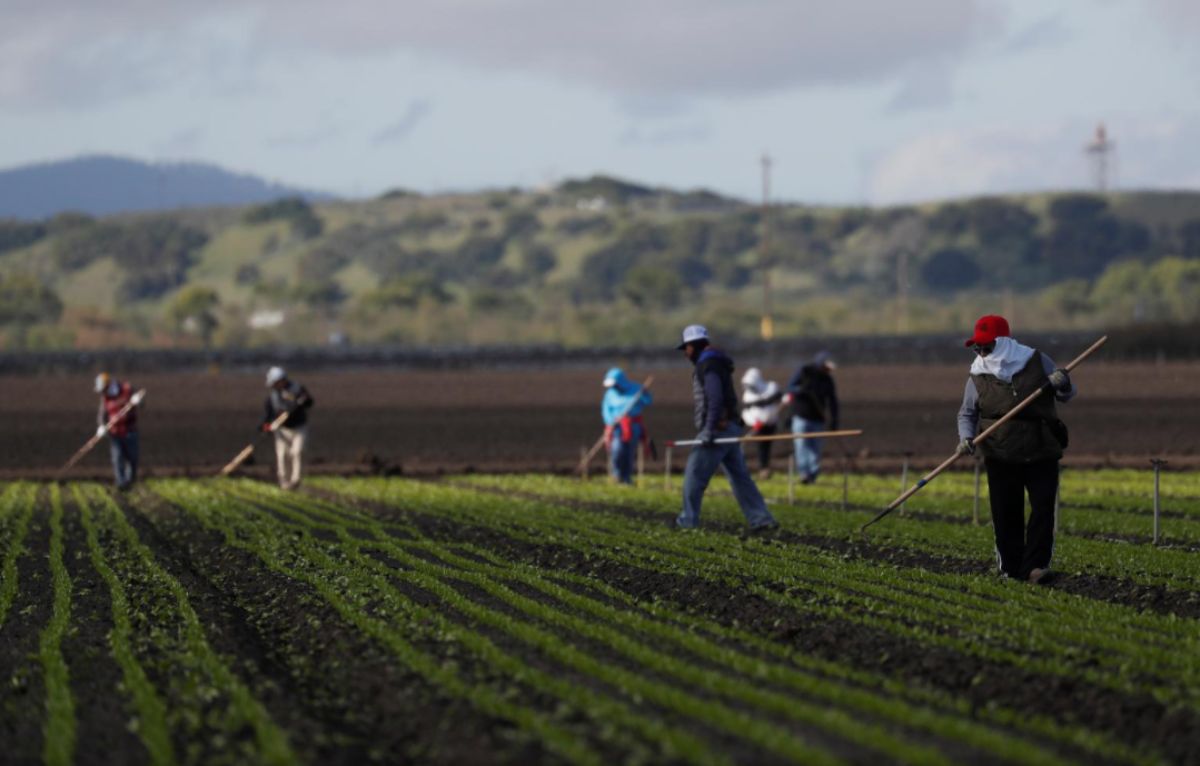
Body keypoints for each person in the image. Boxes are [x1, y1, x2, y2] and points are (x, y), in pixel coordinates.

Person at [955, 315, 1075, 585]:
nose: (982, 353)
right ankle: (1010, 569)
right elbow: (967, 414)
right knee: (1005, 511)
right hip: (999, 451)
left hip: (1040, 447)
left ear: (1004, 342)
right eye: (978, 348)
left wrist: (1062, 382)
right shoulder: (976, 375)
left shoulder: (1036, 361)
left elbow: (1067, 395)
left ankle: (1035, 567)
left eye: (987, 347)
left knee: (1043, 509)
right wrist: (965, 438)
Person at [674, 325, 778, 533]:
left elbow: (715, 398)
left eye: (686, 348)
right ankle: (762, 519)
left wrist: (710, 429)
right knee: (740, 477)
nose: (685, 353)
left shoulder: (708, 365)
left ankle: (687, 522)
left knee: (694, 476)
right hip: (730, 428)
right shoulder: (717, 363)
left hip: (718, 428)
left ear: (694, 346)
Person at [785, 351, 839, 484]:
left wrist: (834, 419)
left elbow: (833, 401)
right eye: (826, 368)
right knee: (801, 445)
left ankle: (812, 476)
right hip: (801, 416)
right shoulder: (805, 371)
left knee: (815, 448)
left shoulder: (828, 380)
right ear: (821, 364)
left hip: (818, 419)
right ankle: (804, 474)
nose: (828, 370)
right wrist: (801, 390)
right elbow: (790, 388)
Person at [262, 366, 314, 490]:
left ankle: (296, 480)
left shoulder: (297, 390)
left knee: (296, 452)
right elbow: (268, 416)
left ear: (281, 380)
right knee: (282, 455)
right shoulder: (272, 398)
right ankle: (284, 482)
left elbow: (309, 402)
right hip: (282, 429)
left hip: (299, 427)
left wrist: (303, 401)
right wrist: (266, 427)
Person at [601, 367, 653, 485]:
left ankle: (626, 478)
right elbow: (606, 410)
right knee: (617, 450)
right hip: (616, 428)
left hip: (633, 427)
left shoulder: (636, 389)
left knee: (629, 452)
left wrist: (645, 393)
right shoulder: (609, 394)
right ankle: (617, 475)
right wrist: (610, 422)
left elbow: (648, 401)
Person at [95, 373, 143, 490]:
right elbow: (102, 414)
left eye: (103, 389)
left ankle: (130, 480)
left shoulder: (127, 389)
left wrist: (138, 401)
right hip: (115, 433)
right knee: (117, 458)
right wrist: (101, 426)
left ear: (108, 385)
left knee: (132, 458)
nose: (102, 392)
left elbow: (141, 403)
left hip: (130, 431)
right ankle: (121, 483)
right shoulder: (105, 397)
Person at [740, 367, 783, 478]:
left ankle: (765, 469)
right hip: (758, 426)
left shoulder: (771, 387)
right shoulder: (748, 396)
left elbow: (779, 399)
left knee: (767, 446)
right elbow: (747, 411)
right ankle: (763, 469)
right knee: (761, 446)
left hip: (770, 423)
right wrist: (754, 422)